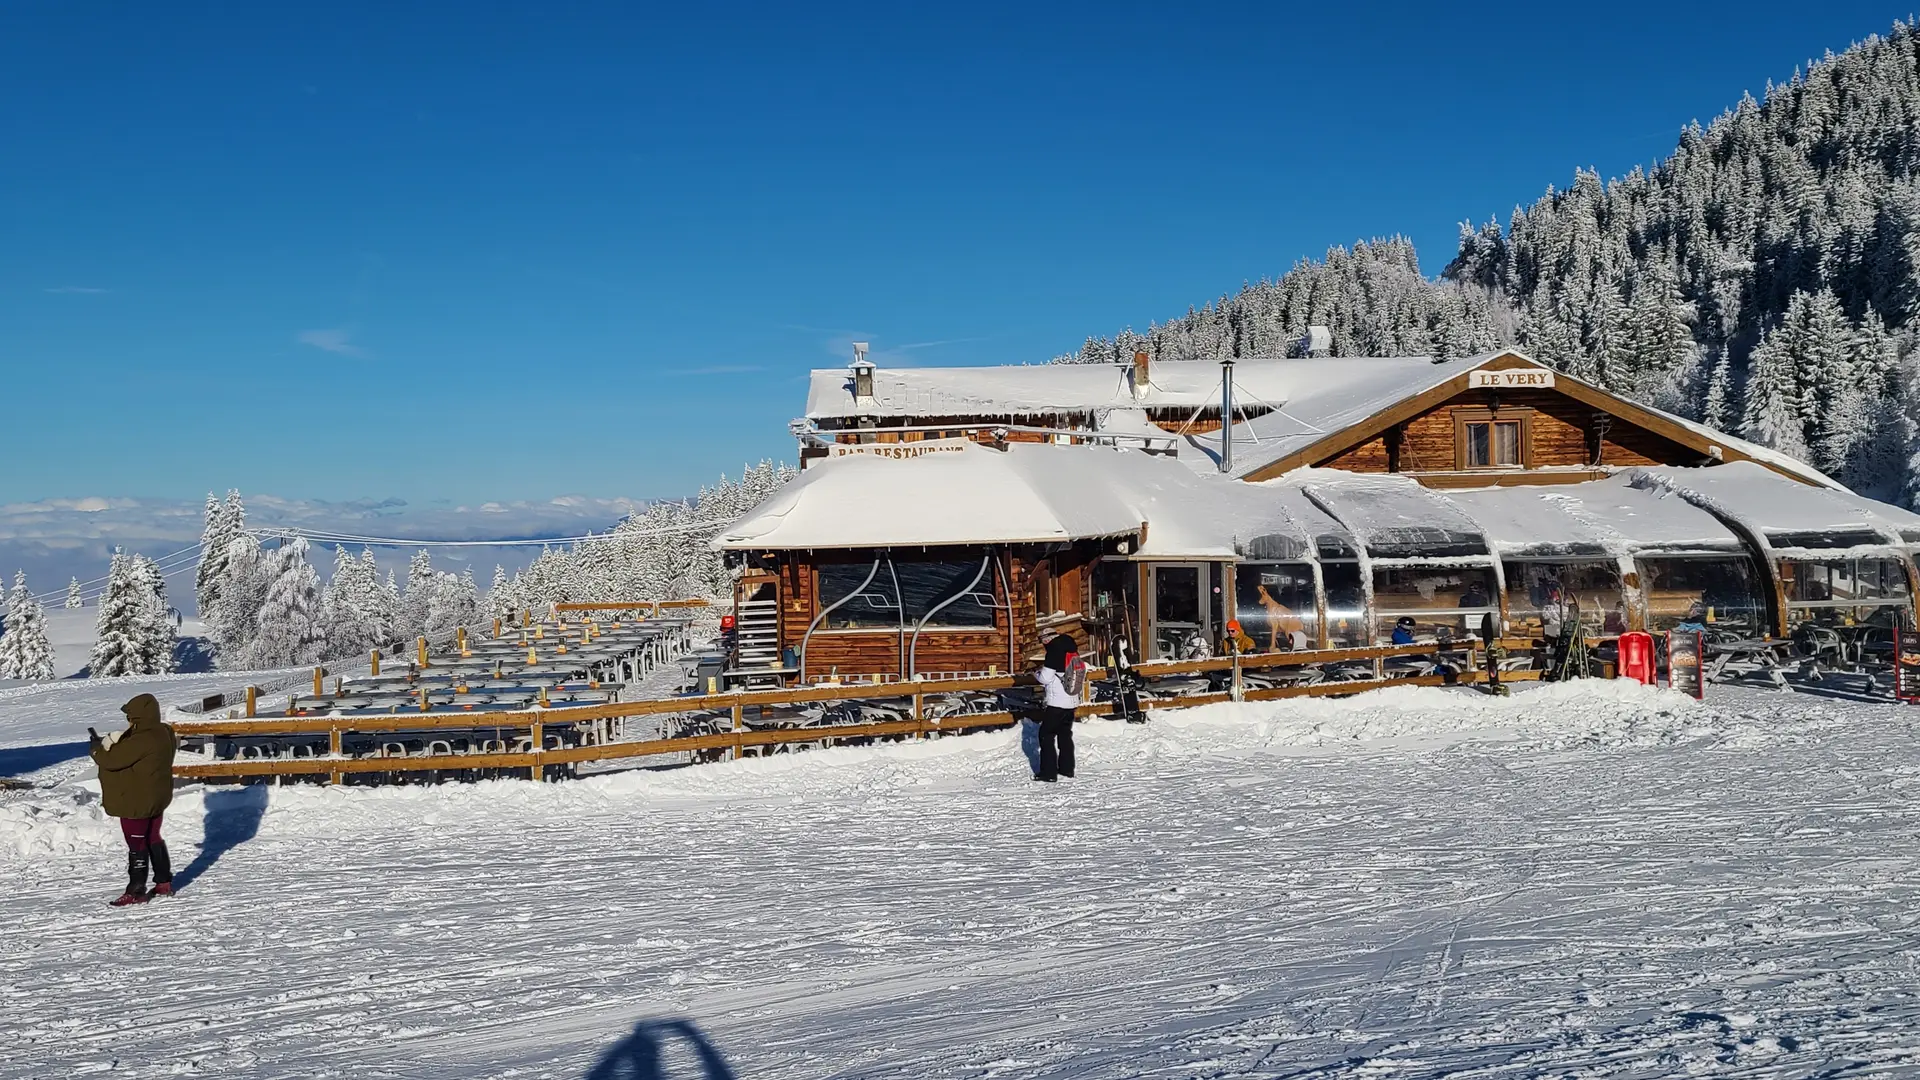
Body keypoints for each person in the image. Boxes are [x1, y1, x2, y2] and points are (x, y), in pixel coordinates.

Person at [90, 693, 179, 907]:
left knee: (136, 843)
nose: (128, 720)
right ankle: (163, 882)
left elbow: (110, 760)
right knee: (153, 837)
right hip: (157, 796)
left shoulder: (142, 739)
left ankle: (136, 890)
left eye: (130, 716)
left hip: (137, 801)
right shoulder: (164, 731)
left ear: (137, 716)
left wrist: (96, 747)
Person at [1032, 632, 1080, 782]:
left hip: (1057, 703)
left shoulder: (1054, 651)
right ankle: (1067, 769)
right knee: (1065, 735)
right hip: (1072, 701)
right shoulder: (1071, 650)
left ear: (1047, 640)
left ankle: (1049, 773)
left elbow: (1045, 678)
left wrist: (1036, 674)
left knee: (1046, 735)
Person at [1540, 583, 1573, 680]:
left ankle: (1559, 668)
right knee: (1553, 647)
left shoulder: (1565, 608)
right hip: (1552, 630)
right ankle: (1553, 668)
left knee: (1560, 648)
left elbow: (1569, 617)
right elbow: (1545, 616)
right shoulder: (1549, 607)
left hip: (1560, 631)